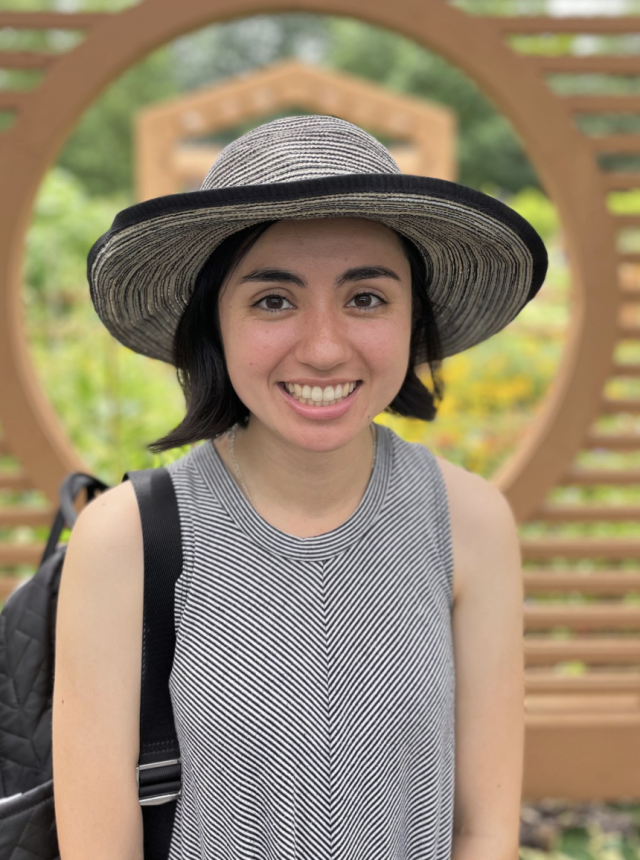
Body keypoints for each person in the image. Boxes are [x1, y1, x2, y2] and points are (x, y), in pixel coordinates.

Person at [52, 115, 547, 860]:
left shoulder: (469, 523)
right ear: (213, 325)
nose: (322, 348)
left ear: (415, 320)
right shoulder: (124, 540)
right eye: (274, 301)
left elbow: (482, 829)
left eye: (367, 299)